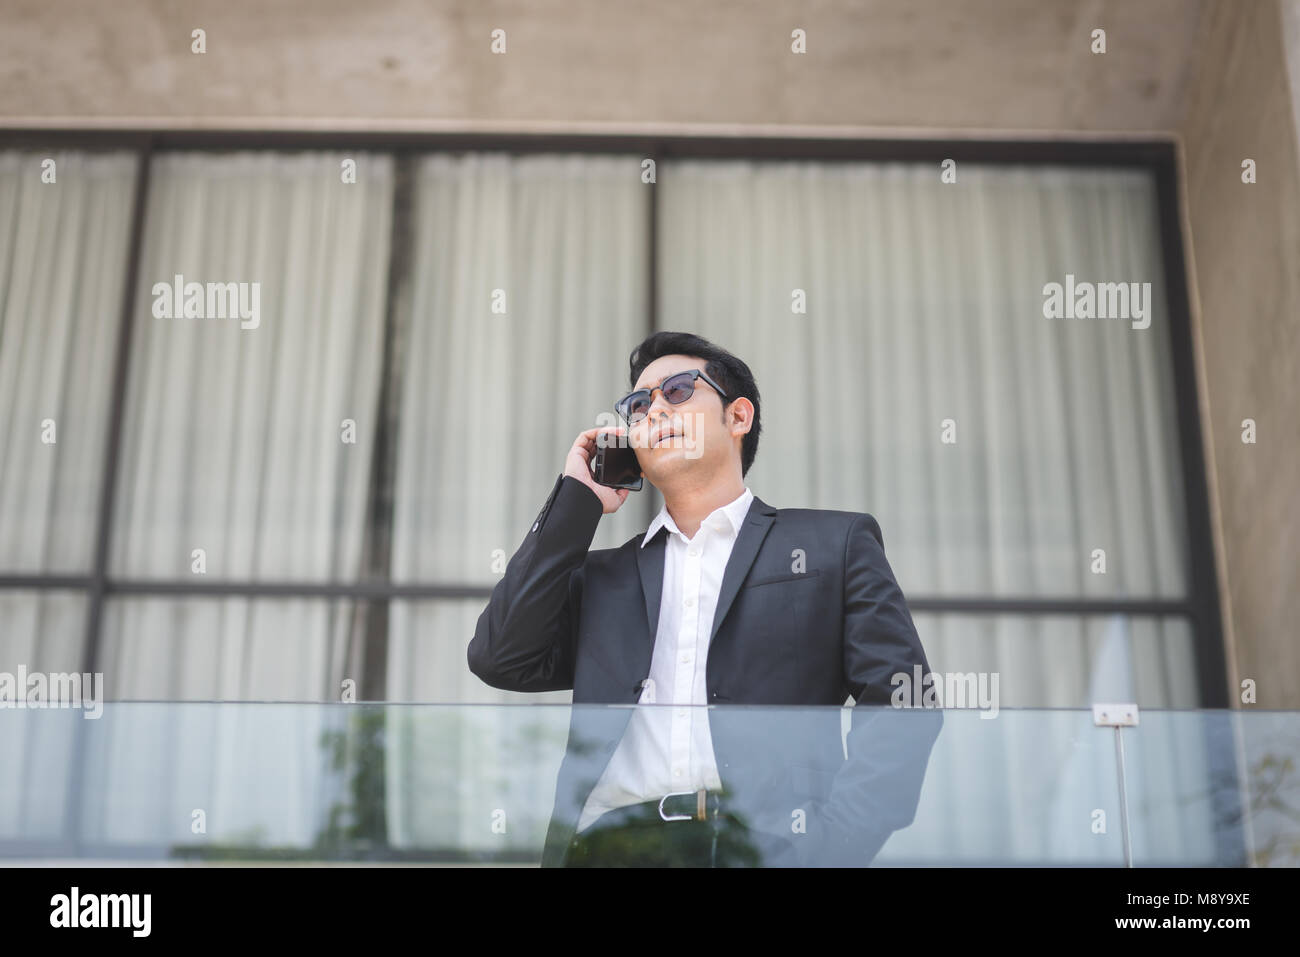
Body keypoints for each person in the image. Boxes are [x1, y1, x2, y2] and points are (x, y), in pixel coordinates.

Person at [468, 331, 942, 867]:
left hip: (760, 849)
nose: (652, 411)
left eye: (676, 390)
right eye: (638, 405)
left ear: (738, 417)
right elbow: (500, 657)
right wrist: (574, 503)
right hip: (606, 849)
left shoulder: (833, 545)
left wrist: (828, 849)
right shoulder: (605, 579)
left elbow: (905, 704)